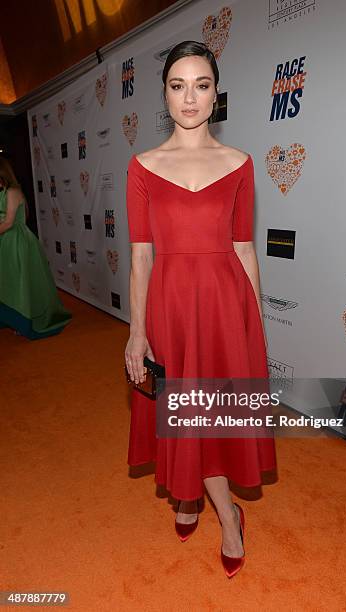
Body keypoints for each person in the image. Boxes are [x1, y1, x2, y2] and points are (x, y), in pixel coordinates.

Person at [125, 41, 277, 578]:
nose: (190, 97)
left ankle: (222, 515)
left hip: (222, 305)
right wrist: (136, 332)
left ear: (216, 96)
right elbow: (142, 257)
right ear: (165, 95)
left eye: (201, 85)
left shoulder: (240, 164)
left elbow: (244, 248)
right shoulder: (143, 166)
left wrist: (253, 324)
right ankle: (207, 502)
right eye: (177, 85)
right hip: (171, 309)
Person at [0, 157, 72, 339]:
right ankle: (14, 319)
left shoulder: (13, 191)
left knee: (22, 284)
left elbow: (9, 222)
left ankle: (25, 321)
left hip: (16, 243)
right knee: (11, 283)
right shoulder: (4, 191)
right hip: (6, 243)